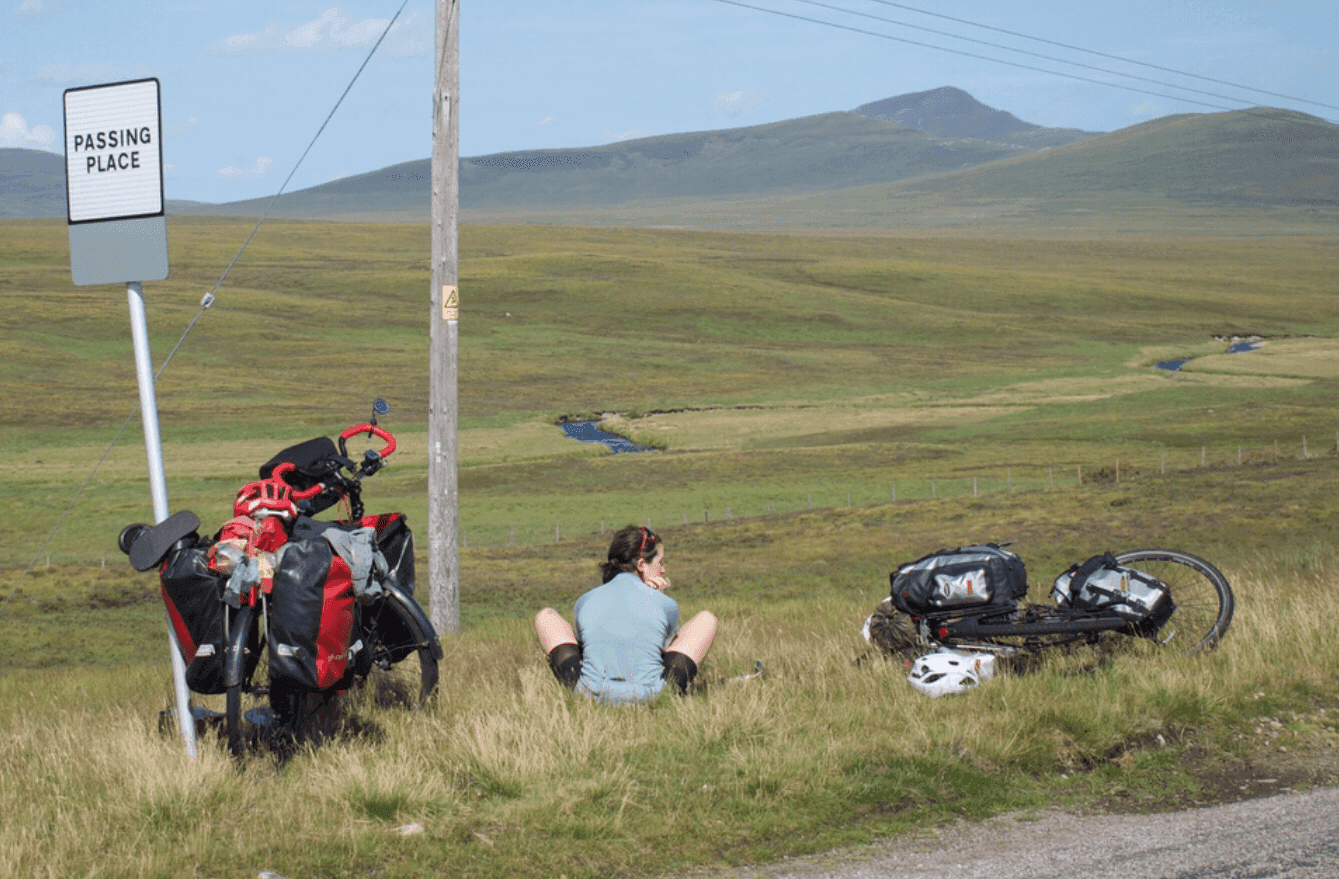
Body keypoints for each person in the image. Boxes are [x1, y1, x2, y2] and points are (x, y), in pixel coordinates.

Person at [534, 525, 717, 703]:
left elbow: (583, 648)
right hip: (651, 695)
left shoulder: (585, 599)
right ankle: (677, 691)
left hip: (590, 695)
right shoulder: (665, 604)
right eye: (659, 562)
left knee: (546, 616)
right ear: (641, 564)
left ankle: (576, 688)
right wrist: (658, 595)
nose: (663, 569)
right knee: (706, 619)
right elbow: (664, 652)